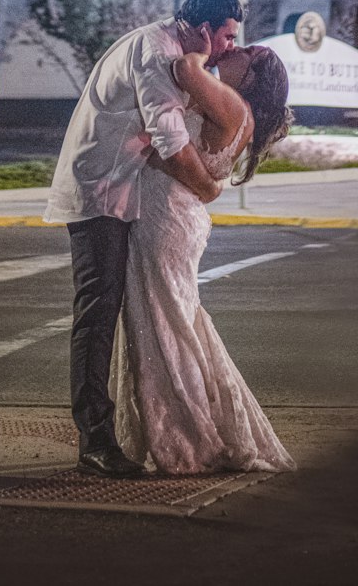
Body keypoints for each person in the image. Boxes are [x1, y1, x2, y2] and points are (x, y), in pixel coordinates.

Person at [44, 0, 243, 477]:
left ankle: (120, 430)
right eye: (226, 37)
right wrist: (212, 190)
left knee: (113, 311)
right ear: (202, 31)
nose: (230, 48)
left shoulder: (172, 53)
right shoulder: (157, 55)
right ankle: (94, 440)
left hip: (119, 192)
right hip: (97, 194)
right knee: (98, 313)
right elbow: (171, 143)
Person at [112, 41, 296, 474]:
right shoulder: (235, 107)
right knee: (173, 323)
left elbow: (183, 66)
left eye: (242, 50)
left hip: (166, 217)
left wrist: (204, 48)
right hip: (174, 215)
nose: (231, 49)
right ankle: (195, 426)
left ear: (250, 74)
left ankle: (189, 437)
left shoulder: (230, 102)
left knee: (166, 326)